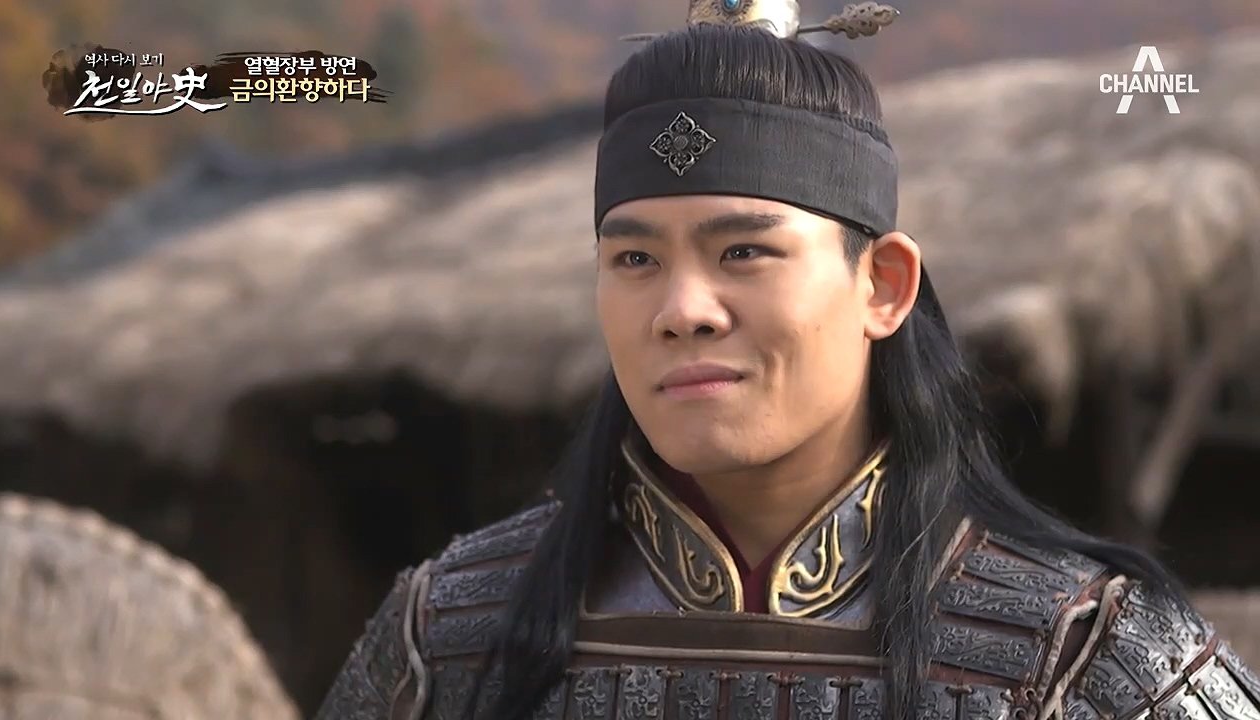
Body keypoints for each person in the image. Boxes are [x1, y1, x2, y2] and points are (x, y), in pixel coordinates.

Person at [315, 3, 1260, 720]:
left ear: (882, 285)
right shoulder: (444, 639)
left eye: (744, 252)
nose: (682, 311)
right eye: (635, 260)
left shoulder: (1086, 658)